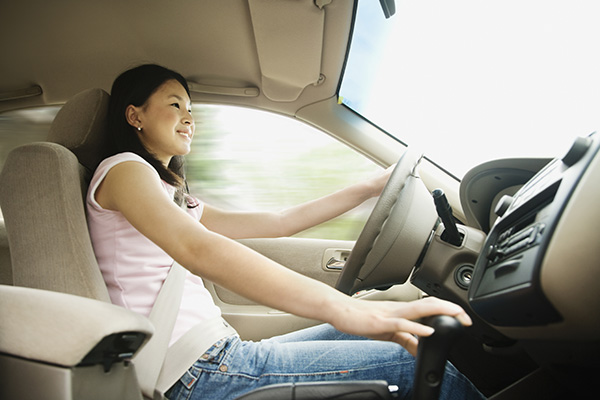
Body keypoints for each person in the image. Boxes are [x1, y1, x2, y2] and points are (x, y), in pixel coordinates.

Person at [86, 64, 484, 400]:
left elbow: (280, 222)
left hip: (218, 353)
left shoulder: (172, 196)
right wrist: (345, 308)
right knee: (413, 365)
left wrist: (367, 188)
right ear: (135, 116)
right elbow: (196, 247)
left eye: (191, 108)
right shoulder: (124, 170)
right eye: (175, 106)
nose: (189, 118)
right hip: (191, 371)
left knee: (396, 339)